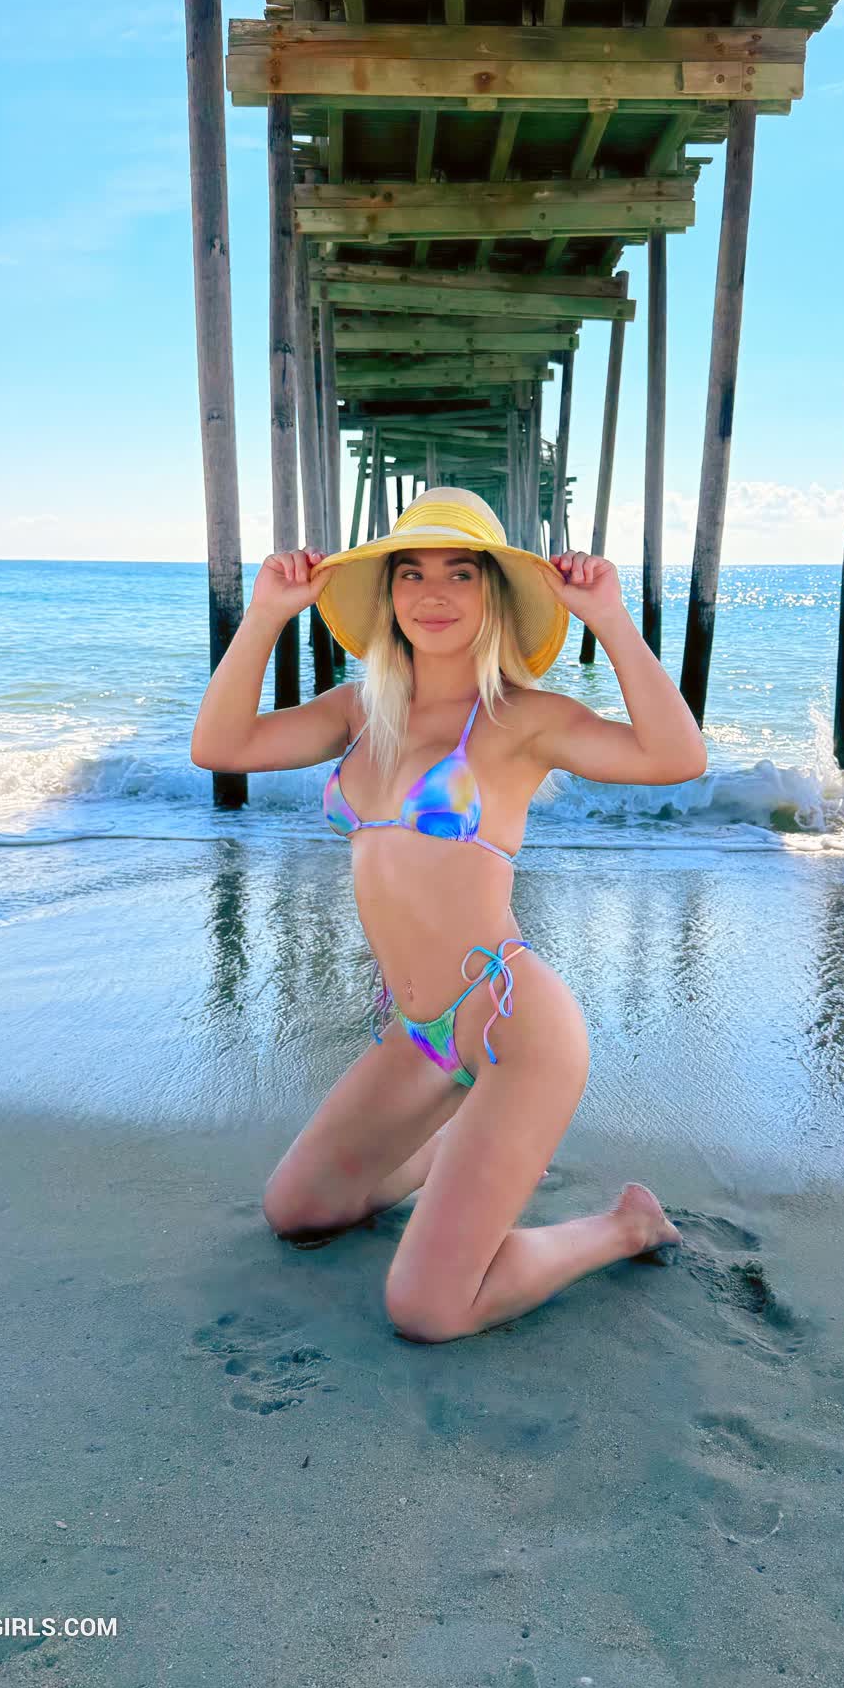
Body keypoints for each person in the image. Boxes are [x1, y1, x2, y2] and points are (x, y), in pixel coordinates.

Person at [190, 488, 709, 1343]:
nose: (433, 593)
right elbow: (219, 747)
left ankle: (625, 1226)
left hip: (510, 1027)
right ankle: (468, 1149)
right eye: (412, 573)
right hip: (419, 1032)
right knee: (297, 1210)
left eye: (460, 573)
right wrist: (267, 614)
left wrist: (611, 621)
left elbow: (676, 757)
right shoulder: (360, 711)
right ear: (388, 594)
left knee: (427, 1309)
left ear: (492, 594)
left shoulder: (520, 718)